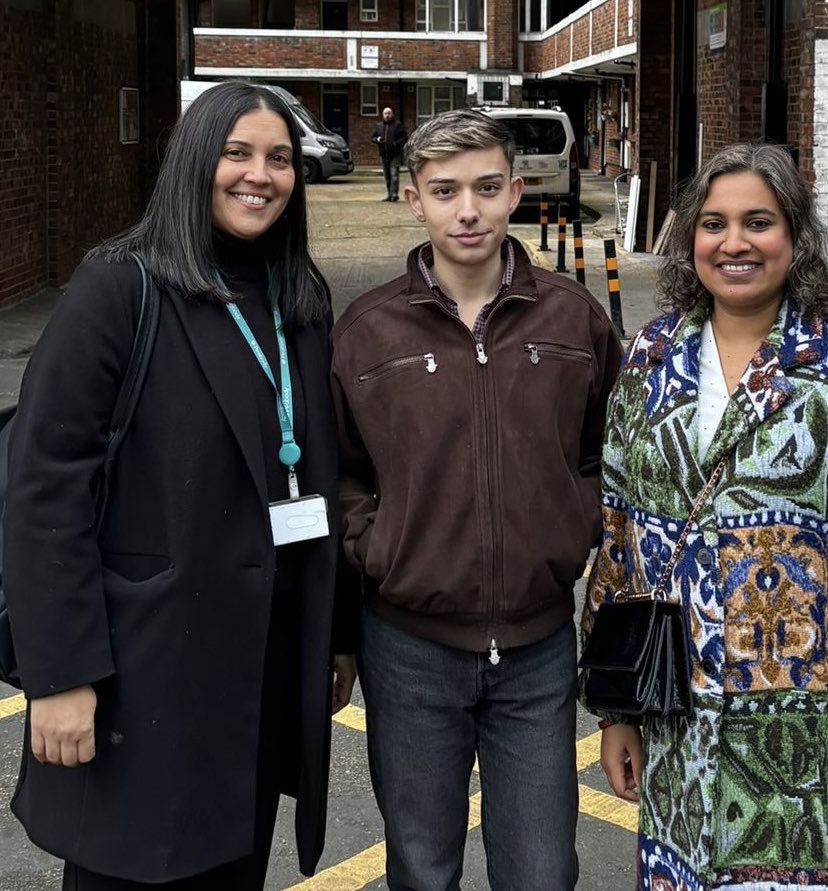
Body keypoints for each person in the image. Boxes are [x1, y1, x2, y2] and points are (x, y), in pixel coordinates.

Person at [2, 81, 358, 890]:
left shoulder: (299, 301)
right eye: (237, 153)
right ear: (195, 161)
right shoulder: (118, 287)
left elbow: (321, 475)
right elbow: (45, 491)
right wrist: (60, 675)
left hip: (257, 676)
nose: (260, 175)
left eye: (279, 158)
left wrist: (332, 634)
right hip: (141, 675)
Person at [581, 141, 828, 891]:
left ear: (795, 235)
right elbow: (619, 541)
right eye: (714, 224)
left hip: (808, 750)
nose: (733, 242)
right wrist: (615, 709)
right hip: (677, 737)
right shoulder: (651, 358)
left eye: (757, 222)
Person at [331, 108, 621, 891]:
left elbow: (607, 450)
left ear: (515, 192)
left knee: (540, 871)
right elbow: (343, 470)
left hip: (536, 648)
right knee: (422, 869)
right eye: (445, 190)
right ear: (414, 200)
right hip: (409, 649)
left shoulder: (572, 319)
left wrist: (574, 520)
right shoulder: (366, 331)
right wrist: (377, 543)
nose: (468, 210)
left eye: (487, 188)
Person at [370, 106, 408, 201]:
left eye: (389, 113)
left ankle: (394, 194)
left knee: (394, 174)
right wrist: (377, 139)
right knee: (387, 175)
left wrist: (395, 144)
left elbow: (404, 137)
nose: (387, 115)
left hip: (395, 154)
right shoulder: (379, 126)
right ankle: (389, 194)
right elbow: (372, 137)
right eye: (385, 114)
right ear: (383, 115)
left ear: (392, 114)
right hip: (384, 154)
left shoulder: (398, 125)